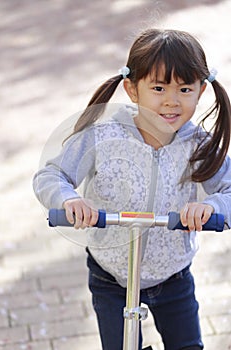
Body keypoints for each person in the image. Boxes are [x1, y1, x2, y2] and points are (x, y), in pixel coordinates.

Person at [33, 28, 231, 350]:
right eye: (158, 87)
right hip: (111, 277)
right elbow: (51, 174)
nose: (172, 100)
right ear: (132, 89)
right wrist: (69, 199)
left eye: (184, 89)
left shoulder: (197, 145)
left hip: (173, 277)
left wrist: (213, 208)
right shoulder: (103, 135)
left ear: (200, 90)